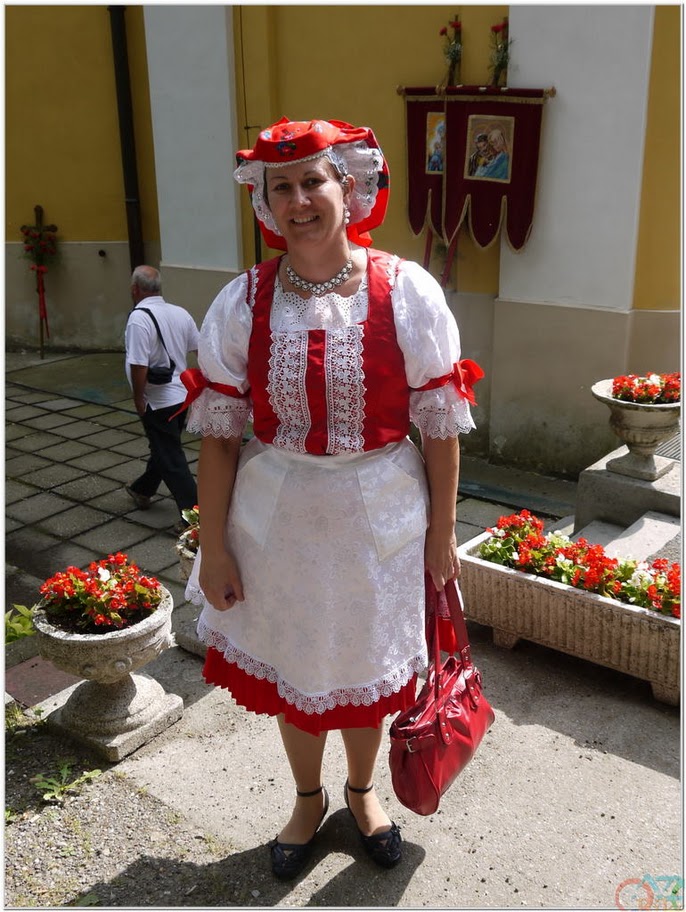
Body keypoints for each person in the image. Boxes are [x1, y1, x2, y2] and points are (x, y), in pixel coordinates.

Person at [181, 118, 482, 879]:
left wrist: (442, 533)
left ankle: (361, 791)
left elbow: (439, 424)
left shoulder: (404, 290)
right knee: (296, 667)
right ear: (265, 202)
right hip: (274, 519)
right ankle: (308, 799)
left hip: (379, 513)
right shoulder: (243, 301)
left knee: (364, 665)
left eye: (313, 181)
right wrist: (213, 543)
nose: (298, 200)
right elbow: (219, 436)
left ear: (349, 188)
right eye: (280, 186)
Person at [124, 265, 199, 527]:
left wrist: (138, 397)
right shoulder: (180, 313)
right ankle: (142, 489)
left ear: (135, 289)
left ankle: (195, 517)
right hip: (182, 395)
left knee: (172, 459)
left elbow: (138, 364)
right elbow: (199, 350)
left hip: (158, 400)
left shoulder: (139, 318)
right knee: (164, 449)